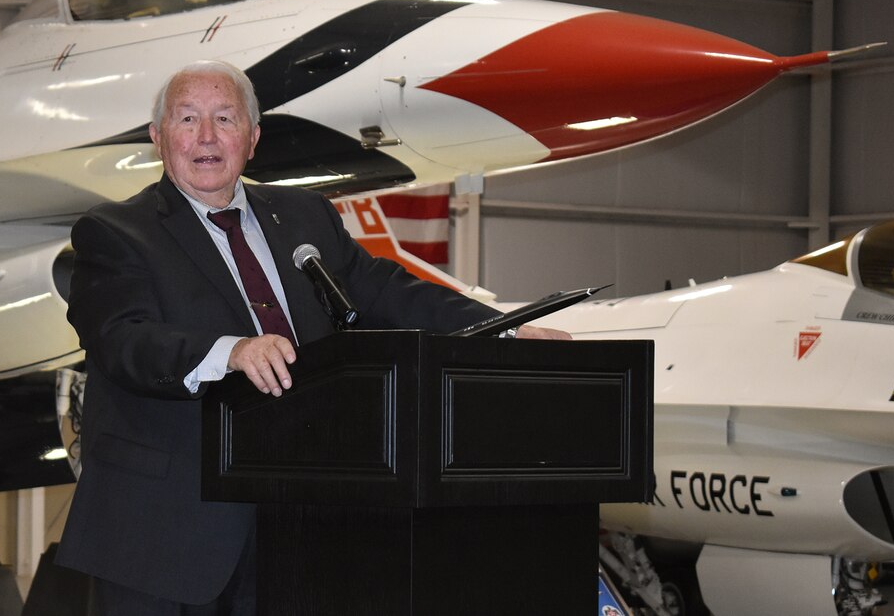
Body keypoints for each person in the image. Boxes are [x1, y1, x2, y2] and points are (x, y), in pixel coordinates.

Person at [55, 60, 569, 615]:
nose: (206, 137)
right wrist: (232, 352)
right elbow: (123, 341)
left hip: (301, 531)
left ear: (252, 139)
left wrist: (505, 329)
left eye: (225, 119)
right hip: (165, 537)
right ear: (159, 138)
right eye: (187, 119)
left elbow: (388, 291)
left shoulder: (305, 218)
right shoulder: (113, 232)